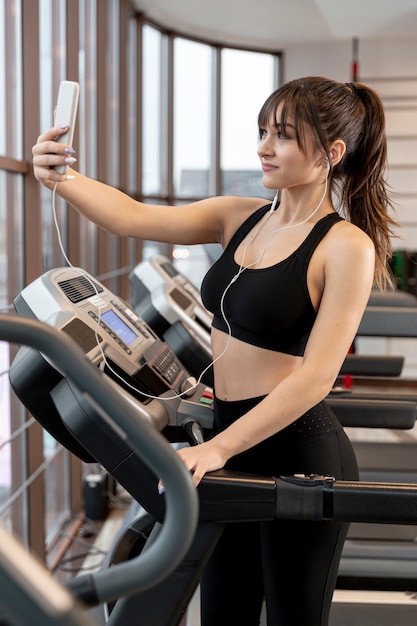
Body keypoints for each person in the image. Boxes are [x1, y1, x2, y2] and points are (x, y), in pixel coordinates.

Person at [33, 76, 397, 626]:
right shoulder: (240, 216)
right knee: (224, 612)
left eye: (283, 136)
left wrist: (219, 449)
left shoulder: (346, 245)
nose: (263, 148)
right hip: (229, 440)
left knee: (294, 617)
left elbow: (316, 377)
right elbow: (132, 216)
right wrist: (62, 176)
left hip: (297, 455)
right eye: (261, 132)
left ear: (331, 152)